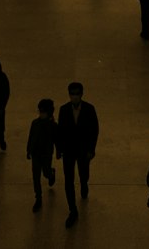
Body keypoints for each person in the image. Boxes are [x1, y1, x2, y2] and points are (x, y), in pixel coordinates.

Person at [56, 81, 99, 227]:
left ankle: (84, 183)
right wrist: (59, 149)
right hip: (68, 150)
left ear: (81, 94)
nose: (74, 97)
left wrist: (91, 150)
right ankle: (73, 210)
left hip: (83, 150)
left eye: (76, 94)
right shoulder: (64, 110)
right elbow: (60, 131)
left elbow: (94, 131)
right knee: (68, 180)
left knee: (83, 172)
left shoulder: (89, 109)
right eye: (72, 94)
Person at [27, 97, 60, 212]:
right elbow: (31, 138)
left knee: (45, 172)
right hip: (36, 154)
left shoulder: (53, 126)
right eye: (40, 111)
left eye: (43, 112)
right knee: (36, 177)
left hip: (46, 154)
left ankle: (51, 173)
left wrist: (58, 151)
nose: (41, 114)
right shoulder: (35, 123)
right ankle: (38, 198)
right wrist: (28, 150)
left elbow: (57, 140)